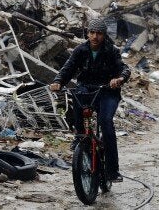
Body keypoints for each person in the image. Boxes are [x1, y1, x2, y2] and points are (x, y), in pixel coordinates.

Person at [50, 18, 130, 182]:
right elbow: (68, 67)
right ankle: (80, 137)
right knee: (77, 103)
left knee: (105, 122)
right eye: (92, 33)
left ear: (104, 35)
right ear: (87, 34)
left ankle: (112, 171)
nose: (95, 36)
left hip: (107, 90)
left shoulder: (111, 50)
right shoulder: (81, 50)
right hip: (86, 88)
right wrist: (58, 81)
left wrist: (120, 79)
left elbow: (123, 68)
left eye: (99, 33)